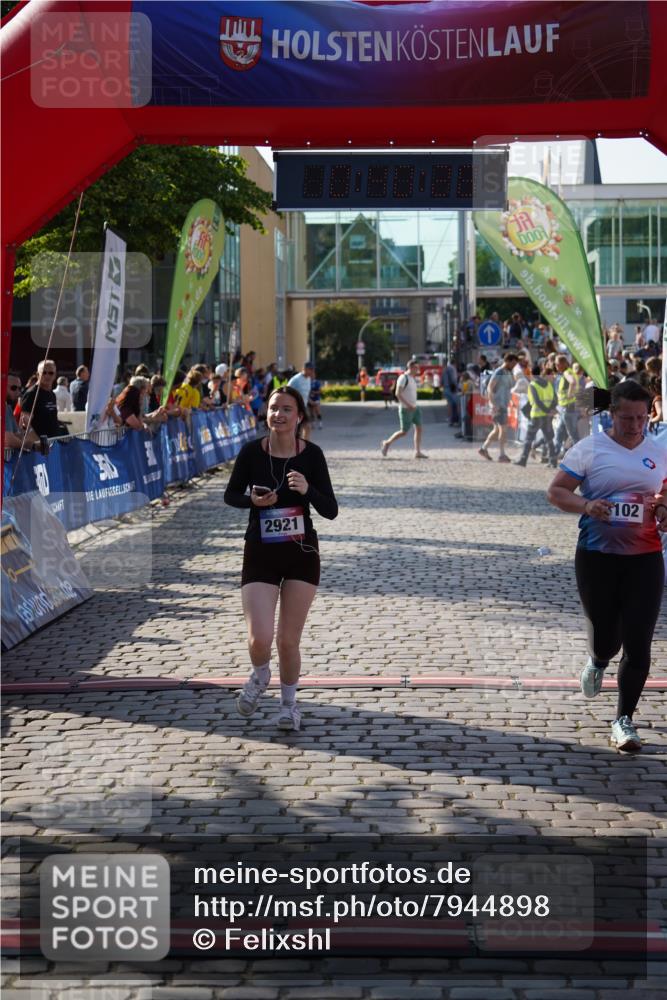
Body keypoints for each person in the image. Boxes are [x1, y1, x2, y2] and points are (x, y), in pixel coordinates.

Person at [546, 380, 667, 752]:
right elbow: (556, 491)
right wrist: (587, 506)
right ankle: (598, 660)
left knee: (638, 644)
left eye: (642, 418)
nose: (635, 425)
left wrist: (662, 507)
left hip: (646, 558)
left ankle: (623, 720)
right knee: (607, 639)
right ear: (611, 414)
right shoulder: (590, 449)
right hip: (597, 557)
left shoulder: (659, 449)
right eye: (627, 418)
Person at [224, 386, 338, 731]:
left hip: (301, 553)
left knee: (288, 639)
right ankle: (260, 674)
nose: (279, 415)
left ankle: (289, 706)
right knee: (260, 638)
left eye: (287, 409)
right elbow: (230, 495)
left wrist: (308, 490)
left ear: (299, 416)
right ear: (267, 413)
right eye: (274, 408)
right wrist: (252, 503)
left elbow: (330, 510)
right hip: (260, 551)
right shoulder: (250, 453)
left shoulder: (312, 456)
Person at [380, 360, 427, 459]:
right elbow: (398, 393)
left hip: (415, 407)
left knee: (419, 428)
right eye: (416, 368)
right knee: (404, 431)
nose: (418, 370)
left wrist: (413, 405)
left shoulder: (412, 378)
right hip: (406, 409)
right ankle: (387, 443)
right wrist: (408, 405)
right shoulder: (403, 378)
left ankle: (417, 452)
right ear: (410, 367)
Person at [514, 364, 558, 467]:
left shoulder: (533, 385)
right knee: (549, 438)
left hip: (537, 415)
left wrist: (546, 410)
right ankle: (553, 461)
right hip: (547, 417)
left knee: (529, 438)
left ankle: (523, 460)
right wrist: (550, 410)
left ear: (532, 374)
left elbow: (536, 401)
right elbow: (554, 400)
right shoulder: (549, 384)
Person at [478, 353, 517, 463]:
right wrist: (493, 403)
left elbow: (508, 389)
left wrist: (511, 402)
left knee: (496, 430)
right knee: (503, 429)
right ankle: (502, 454)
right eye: (513, 363)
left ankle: (483, 448)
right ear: (508, 361)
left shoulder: (509, 372)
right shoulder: (499, 372)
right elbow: (490, 387)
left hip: (503, 404)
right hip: (498, 405)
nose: (514, 366)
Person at [20, 359, 67, 438]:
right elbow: (24, 423)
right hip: (40, 446)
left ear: (55, 375)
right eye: (44, 372)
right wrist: (38, 442)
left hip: (54, 443)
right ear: (38, 375)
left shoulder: (52, 394)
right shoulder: (31, 394)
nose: (47, 376)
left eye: (51, 373)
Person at [5, 374, 43, 452]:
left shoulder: (7, 407)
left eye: (19, 388)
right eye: (14, 388)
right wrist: (32, 446)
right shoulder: (3, 407)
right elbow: (8, 439)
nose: (18, 392)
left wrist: (28, 428)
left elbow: (17, 434)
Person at [554, 354, 580, 456]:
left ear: (563, 364)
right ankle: (554, 456)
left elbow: (572, 382)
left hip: (568, 408)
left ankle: (581, 457)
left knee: (573, 435)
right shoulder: (570, 372)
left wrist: (569, 394)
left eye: (557, 364)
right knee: (560, 433)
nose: (556, 366)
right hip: (567, 409)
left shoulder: (566, 373)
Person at [288, 362, 314, 440]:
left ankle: (305, 444)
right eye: (310, 369)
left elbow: (306, 392)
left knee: (307, 426)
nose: (312, 371)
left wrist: (310, 400)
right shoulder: (295, 379)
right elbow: (286, 391)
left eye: (313, 369)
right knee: (296, 429)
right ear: (304, 369)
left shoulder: (308, 379)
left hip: (304, 407)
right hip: (294, 407)